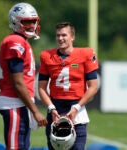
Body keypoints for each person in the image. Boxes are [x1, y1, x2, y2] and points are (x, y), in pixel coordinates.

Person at [38, 22, 99, 150]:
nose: (60, 38)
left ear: (72, 37)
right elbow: (41, 88)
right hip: (55, 109)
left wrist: (76, 107)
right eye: (58, 35)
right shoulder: (47, 56)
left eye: (64, 35)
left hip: (77, 108)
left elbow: (93, 86)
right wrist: (51, 108)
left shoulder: (85, 54)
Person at [0, 2, 47, 150]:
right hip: (14, 103)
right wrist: (35, 111)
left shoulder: (21, 41)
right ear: (15, 21)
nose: (32, 25)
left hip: (19, 104)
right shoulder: (15, 41)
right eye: (27, 22)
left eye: (33, 21)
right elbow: (18, 83)